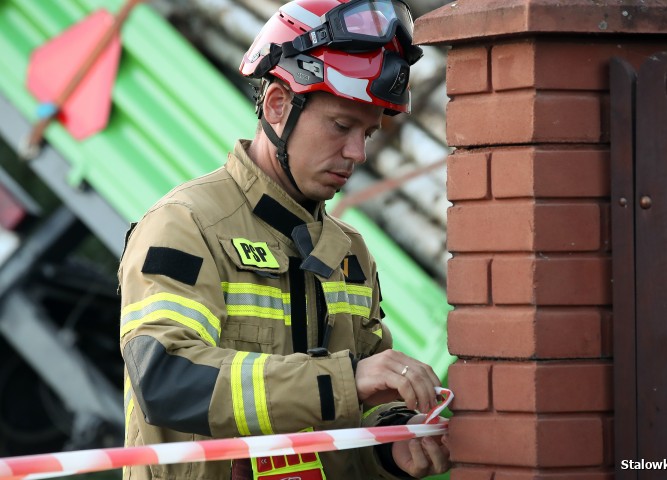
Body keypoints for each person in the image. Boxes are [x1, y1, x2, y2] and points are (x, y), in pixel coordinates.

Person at [118, 0, 450, 478]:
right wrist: (344, 380)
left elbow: (368, 402)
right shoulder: (186, 225)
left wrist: (394, 445)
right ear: (277, 105)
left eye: (369, 134)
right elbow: (167, 380)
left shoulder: (350, 255)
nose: (356, 153)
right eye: (341, 125)